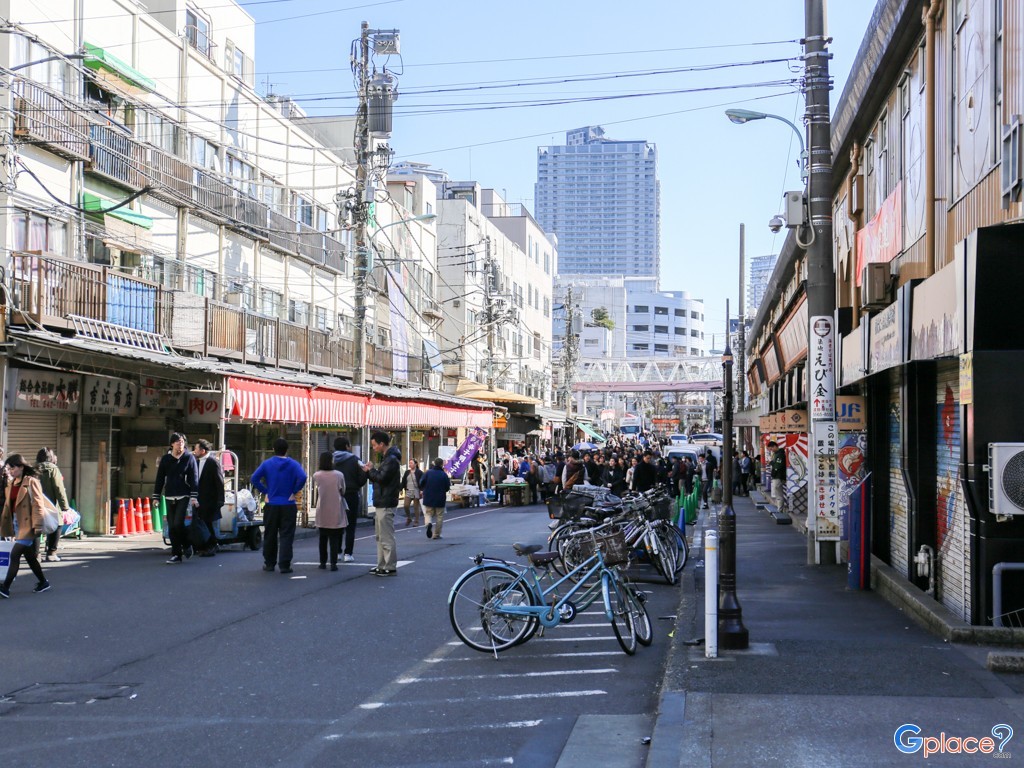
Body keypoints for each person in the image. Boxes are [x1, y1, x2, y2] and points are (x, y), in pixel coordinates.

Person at [251, 437, 307, 574]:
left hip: (271, 503)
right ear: (286, 450)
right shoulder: (293, 464)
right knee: (286, 535)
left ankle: (269, 563)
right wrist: (294, 490)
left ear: (273, 450)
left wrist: (266, 491)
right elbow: (303, 477)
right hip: (288, 503)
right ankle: (285, 565)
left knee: (270, 534)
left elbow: (254, 478)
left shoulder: (267, 464)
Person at [0, 454, 50, 597]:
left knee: (14, 554)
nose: (10, 471)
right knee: (29, 556)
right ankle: (43, 582)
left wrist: (38, 524)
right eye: (8, 469)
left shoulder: (31, 481)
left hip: (29, 524)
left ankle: (5, 587)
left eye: (13, 468)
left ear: (21, 467)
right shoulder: (12, 483)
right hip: (17, 523)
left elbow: (38, 504)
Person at [153, 433, 199, 564]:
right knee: (172, 526)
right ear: (172, 444)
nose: (181, 444)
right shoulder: (166, 459)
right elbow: (160, 478)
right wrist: (156, 496)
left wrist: (194, 496)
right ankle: (176, 554)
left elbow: (194, 478)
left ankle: (187, 544)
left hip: (184, 495)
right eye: (178, 442)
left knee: (178, 523)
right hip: (169, 495)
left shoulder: (189, 458)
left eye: (183, 442)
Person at [363, 430, 401, 576]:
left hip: (386, 502)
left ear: (381, 444)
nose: (373, 448)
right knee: (380, 536)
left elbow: (382, 478)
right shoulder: (388, 458)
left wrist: (370, 470)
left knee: (386, 536)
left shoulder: (390, 459)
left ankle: (389, 565)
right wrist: (371, 471)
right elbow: (380, 477)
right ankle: (382, 564)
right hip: (382, 501)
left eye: (374, 445)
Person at [333, 437, 367, 563]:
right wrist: (358, 484)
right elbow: (362, 476)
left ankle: (336, 552)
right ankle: (348, 553)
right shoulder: (355, 460)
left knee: (336, 524)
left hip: (334, 495)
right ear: (347, 446)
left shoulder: (330, 459)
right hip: (351, 494)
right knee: (350, 525)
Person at [313, 451, 347, 571]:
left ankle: (322, 562)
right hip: (336, 508)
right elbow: (343, 491)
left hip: (322, 508)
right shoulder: (339, 475)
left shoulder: (316, 475)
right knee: (334, 538)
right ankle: (333, 563)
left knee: (323, 538)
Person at [35, 447, 70, 562]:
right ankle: (51, 553)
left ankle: (36, 555)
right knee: (57, 525)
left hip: (36, 503)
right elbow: (59, 488)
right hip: (52, 504)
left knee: (36, 527)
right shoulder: (53, 469)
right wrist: (65, 506)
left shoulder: (33, 469)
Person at [193, 440, 225, 556]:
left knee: (207, 522)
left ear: (203, 450)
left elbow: (219, 482)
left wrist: (221, 499)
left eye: (196, 449)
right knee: (200, 522)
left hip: (209, 499)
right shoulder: (195, 461)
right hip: (198, 498)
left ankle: (212, 544)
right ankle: (203, 545)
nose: (194, 451)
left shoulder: (212, 462)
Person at [419, 458, 451, 540]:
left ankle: (428, 523)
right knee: (439, 516)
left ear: (434, 463)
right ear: (441, 465)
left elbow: (421, 482)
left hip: (428, 496)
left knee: (428, 513)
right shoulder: (443, 474)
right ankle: (436, 534)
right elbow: (447, 487)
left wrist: (424, 489)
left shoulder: (428, 473)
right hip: (440, 497)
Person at [401, 459, 424, 527]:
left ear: (415, 464)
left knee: (416, 506)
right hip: (408, 490)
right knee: (406, 505)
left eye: (411, 463)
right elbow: (403, 481)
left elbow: (423, 482)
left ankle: (416, 521)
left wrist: (422, 490)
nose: (410, 464)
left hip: (416, 490)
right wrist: (401, 489)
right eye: (409, 463)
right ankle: (409, 518)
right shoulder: (407, 472)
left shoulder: (419, 472)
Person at [769, 441, 787, 512]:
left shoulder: (780, 455)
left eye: (771, 449)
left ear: (775, 446)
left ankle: (780, 509)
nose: (771, 450)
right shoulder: (776, 454)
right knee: (777, 493)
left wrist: (771, 463)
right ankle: (779, 507)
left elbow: (778, 466)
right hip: (776, 476)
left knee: (778, 493)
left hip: (778, 475)